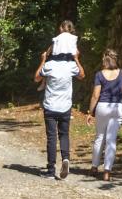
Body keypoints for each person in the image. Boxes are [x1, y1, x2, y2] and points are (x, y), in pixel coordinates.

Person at [34, 48, 85, 179]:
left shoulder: (49, 65)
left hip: (50, 106)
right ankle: (65, 159)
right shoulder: (71, 66)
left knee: (51, 137)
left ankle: (51, 170)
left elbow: (37, 77)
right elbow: (82, 75)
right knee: (64, 135)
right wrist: (77, 59)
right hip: (65, 106)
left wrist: (43, 59)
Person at [87, 48, 122, 182]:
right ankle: (107, 172)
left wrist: (90, 112)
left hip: (102, 107)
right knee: (111, 140)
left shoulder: (99, 75)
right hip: (117, 107)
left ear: (104, 59)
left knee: (99, 137)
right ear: (115, 59)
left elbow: (95, 95)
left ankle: (94, 167)